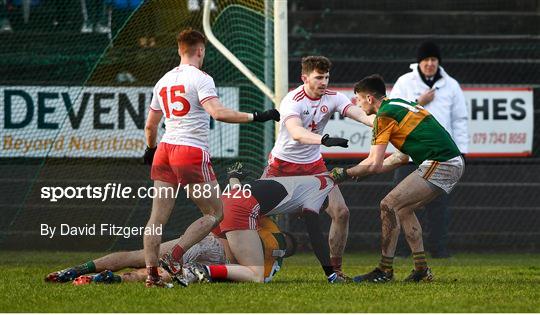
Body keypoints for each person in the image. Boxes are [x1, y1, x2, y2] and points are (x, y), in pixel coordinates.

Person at [142, 29, 280, 287]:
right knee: (216, 212)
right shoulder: (201, 78)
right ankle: (174, 256)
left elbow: (151, 127)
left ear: (179, 50)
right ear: (200, 51)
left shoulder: (163, 80)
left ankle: (152, 276)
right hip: (189, 151)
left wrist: (150, 150)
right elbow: (217, 113)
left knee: (156, 219)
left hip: (164, 149)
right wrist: (257, 116)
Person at [330, 74, 464, 283]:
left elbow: (373, 163)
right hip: (448, 162)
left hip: (442, 162)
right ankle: (421, 270)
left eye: (357, 99)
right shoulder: (398, 105)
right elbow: (399, 158)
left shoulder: (384, 116)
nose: (356, 103)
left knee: (388, 204)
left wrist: (344, 173)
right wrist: (362, 171)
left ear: (369, 98)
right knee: (402, 209)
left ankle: (384, 271)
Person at [263, 55, 374, 275]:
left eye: (327, 77)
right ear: (304, 77)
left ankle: (336, 270)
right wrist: (323, 140)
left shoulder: (334, 98)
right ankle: (244, 262)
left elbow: (361, 115)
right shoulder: (292, 100)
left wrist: (383, 123)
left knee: (341, 212)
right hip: (282, 167)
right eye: (319, 77)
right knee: (253, 212)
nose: (324, 82)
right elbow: (296, 133)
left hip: (314, 167)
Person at [177, 163, 349, 285]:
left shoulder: (282, 189)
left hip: (225, 202)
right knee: (255, 274)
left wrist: (233, 177)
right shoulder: (313, 197)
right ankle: (202, 270)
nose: (301, 217)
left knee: (174, 252)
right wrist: (331, 273)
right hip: (238, 208)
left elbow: (240, 192)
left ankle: (163, 263)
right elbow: (316, 237)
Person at [390, 41, 468, 258]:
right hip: (411, 155)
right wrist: (418, 101)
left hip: (441, 157)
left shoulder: (451, 85)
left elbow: (459, 120)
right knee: (401, 201)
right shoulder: (405, 82)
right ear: (419, 62)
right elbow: (393, 110)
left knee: (439, 206)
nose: (430, 64)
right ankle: (402, 250)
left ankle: (439, 249)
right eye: (426, 60)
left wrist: (461, 151)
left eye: (434, 60)